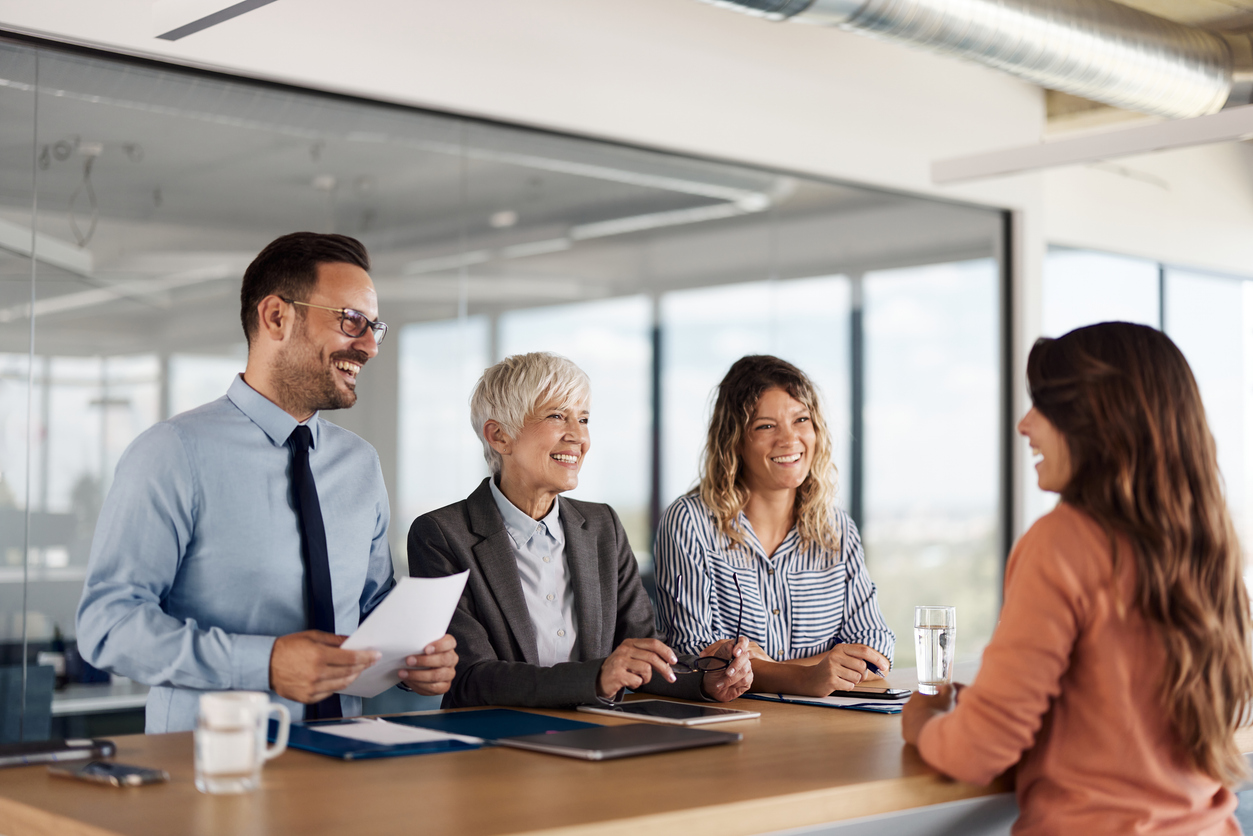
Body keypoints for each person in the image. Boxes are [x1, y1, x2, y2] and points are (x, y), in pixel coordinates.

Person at [76, 232, 458, 733]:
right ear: (277, 317)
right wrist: (266, 663)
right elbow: (108, 626)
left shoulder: (359, 465)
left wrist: (414, 661)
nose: (368, 346)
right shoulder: (173, 452)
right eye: (351, 321)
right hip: (211, 772)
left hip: (343, 761)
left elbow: (369, 612)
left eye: (374, 328)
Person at [902, 322, 1253, 835]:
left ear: (1099, 420)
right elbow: (1127, 718)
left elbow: (978, 753)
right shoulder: (1209, 548)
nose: (1025, 425)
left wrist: (924, 724)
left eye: (1044, 406)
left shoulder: (1062, 542)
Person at [408, 352, 753, 708]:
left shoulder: (602, 526)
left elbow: (641, 652)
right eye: (557, 416)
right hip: (498, 745)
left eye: (583, 419)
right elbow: (469, 677)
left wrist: (707, 676)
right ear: (499, 436)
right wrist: (596, 677)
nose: (578, 437)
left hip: (598, 735)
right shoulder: (441, 535)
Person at [655, 355, 894, 696]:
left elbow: (876, 646)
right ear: (734, 439)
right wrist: (809, 676)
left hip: (826, 729)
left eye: (801, 420)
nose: (789, 439)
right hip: (736, 725)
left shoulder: (836, 529)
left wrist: (770, 669)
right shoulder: (690, 523)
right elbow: (692, 656)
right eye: (766, 426)